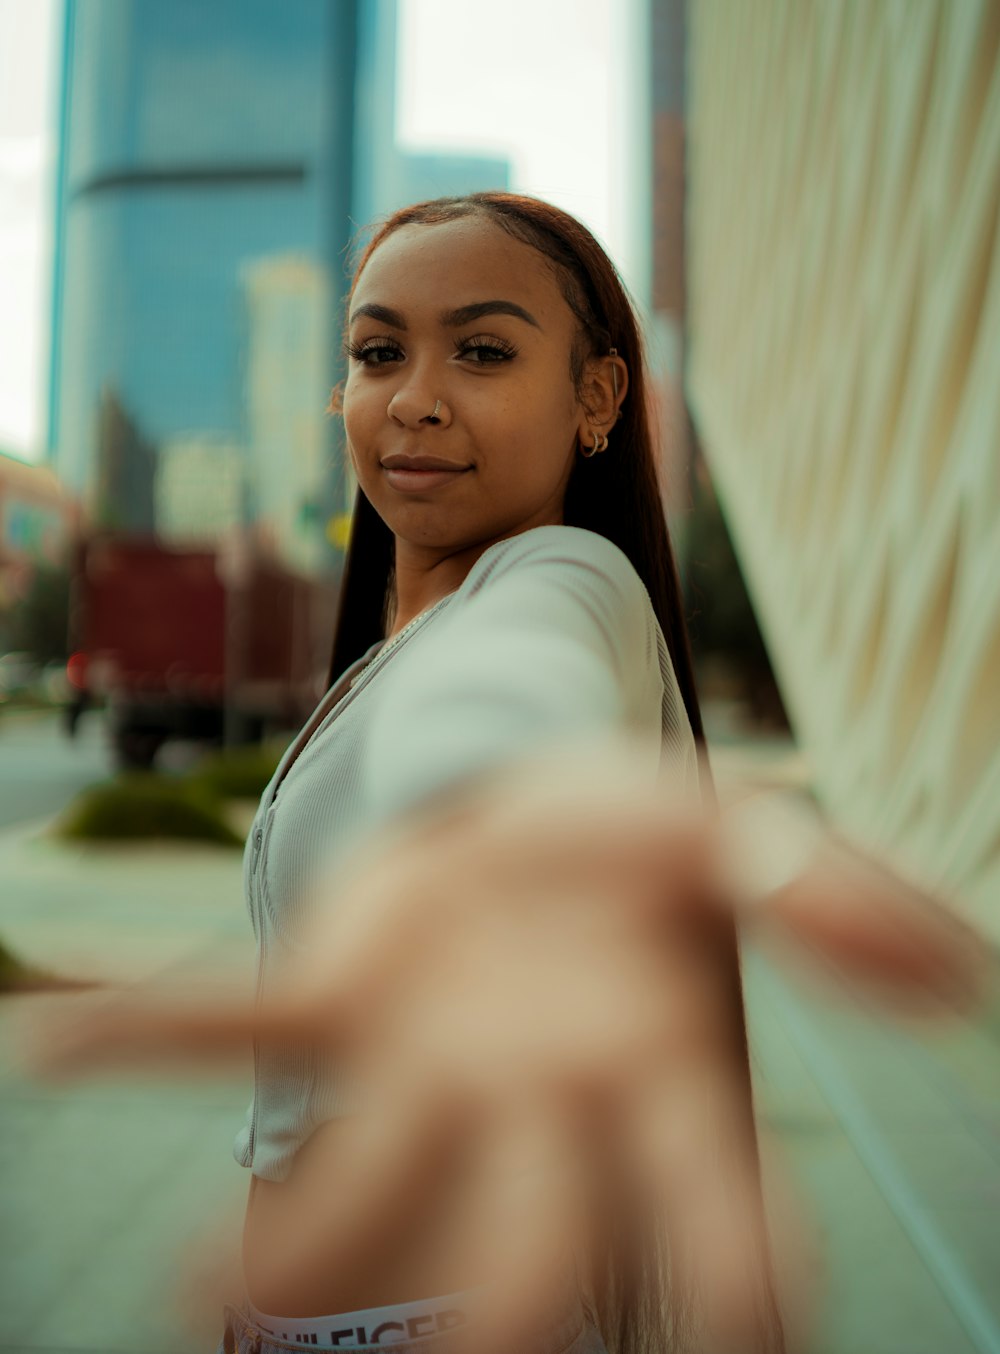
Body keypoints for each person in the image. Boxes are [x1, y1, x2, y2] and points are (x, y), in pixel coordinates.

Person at [44, 192, 981, 1354]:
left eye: (482, 350)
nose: (417, 395)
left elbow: (506, 696)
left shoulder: (561, 578)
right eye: (379, 351)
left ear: (595, 397)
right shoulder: (402, 643)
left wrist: (521, 819)